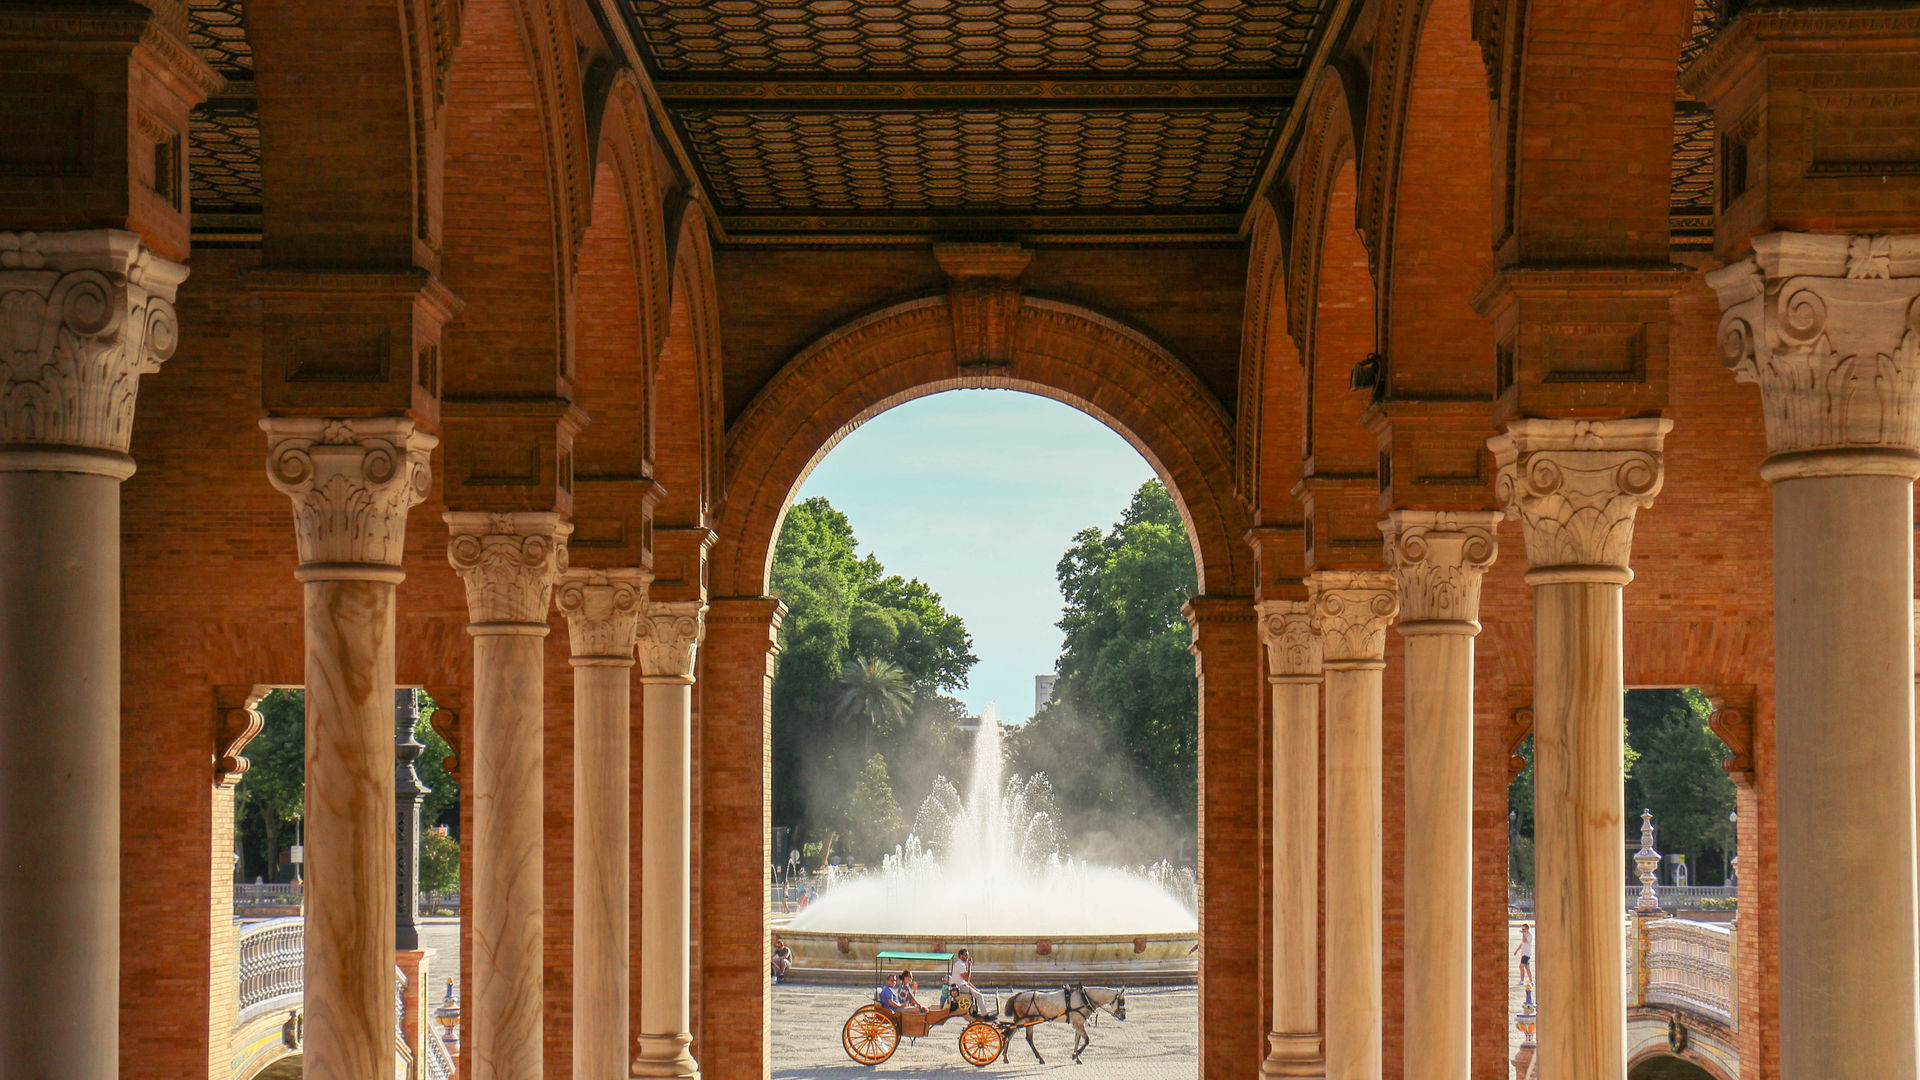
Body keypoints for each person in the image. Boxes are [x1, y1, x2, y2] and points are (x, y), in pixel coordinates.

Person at [949, 947, 981, 1012]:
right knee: (979, 996)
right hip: (961, 987)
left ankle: (974, 1011)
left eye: (967, 956)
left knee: (977, 993)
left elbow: (967, 981)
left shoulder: (960, 964)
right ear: (961, 956)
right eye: (966, 955)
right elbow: (967, 978)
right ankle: (984, 1013)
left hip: (962, 985)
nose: (967, 957)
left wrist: (975, 988)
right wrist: (969, 967)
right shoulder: (960, 965)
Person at [1514, 922, 1534, 989]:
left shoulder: (1529, 935)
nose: (1523, 930)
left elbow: (1525, 941)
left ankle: (1524, 981)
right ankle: (1529, 981)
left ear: (1527, 929)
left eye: (1524, 928)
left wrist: (1523, 934)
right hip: (1523, 953)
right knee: (1525, 967)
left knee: (1522, 966)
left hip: (1527, 954)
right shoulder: (1525, 935)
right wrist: (1517, 950)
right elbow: (1522, 943)